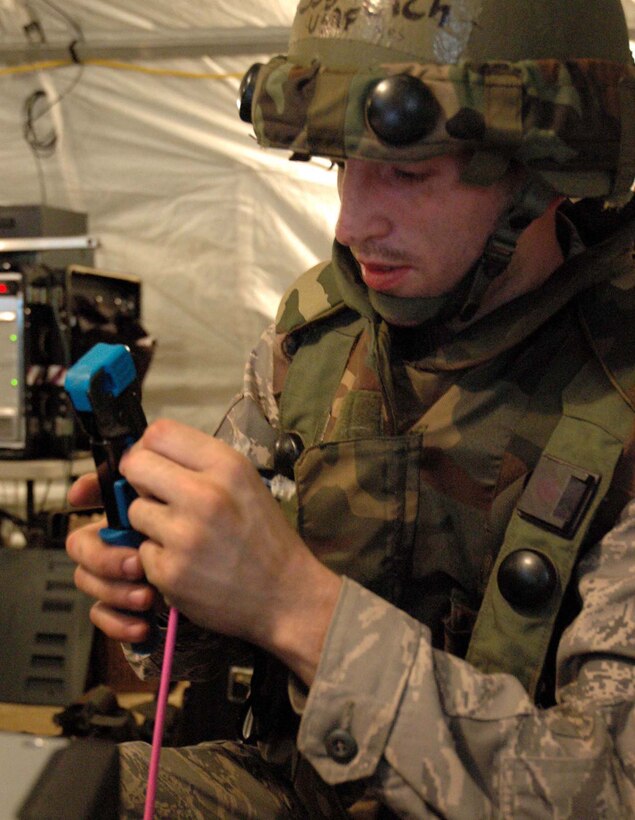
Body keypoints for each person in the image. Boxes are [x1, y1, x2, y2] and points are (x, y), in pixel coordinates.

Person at [66, 0, 635, 816]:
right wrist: (172, 589)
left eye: (406, 172)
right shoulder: (316, 340)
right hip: (301, 790)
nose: (352, 223)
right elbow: (202, 669)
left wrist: (295, 606)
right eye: (340, 163)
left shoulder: (616, 389)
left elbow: (607, 792)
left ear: (544, 174)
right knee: (64, 792)